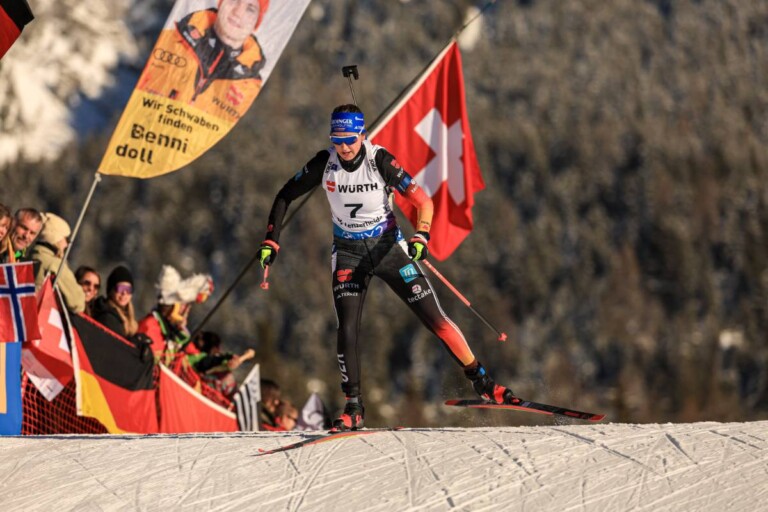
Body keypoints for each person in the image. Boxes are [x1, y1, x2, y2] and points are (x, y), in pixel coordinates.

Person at [258, 104, 515, 431]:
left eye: (350, 139)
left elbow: (423, 201)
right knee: (347, 328)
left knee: (436, 319)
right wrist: (271, 239)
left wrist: (421, 235)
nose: (344, 147)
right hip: (348, 253)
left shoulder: (379, 160)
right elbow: (284, 195)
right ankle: (353, 407)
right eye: (337, 140)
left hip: (388, 249)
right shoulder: (324, 163)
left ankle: (483, 382)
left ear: (362, 135)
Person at [137, 0, 269, 122]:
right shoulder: (169, 33)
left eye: (250, 9)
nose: (238, 12)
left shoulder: (252, 86)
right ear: (221, 3)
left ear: (257, 22)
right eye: (234, 0)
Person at [137, 264, 214, 362]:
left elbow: (196, 360)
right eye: (184, 306)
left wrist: (219, 361)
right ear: (174, 307)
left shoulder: (178, 334)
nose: (186, 312)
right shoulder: (150, 326)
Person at [28, 212, 85, 313]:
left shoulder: (28, 257)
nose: (67, 244)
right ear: (56, 239)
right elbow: (77, 303)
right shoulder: (55, 265)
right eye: (65, 239)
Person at [186, 331, 255, 399]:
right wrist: (228, 359)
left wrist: (230, 359)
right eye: (218, 347)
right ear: (214, 348)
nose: (219, 350)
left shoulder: (187, 350)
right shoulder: (204, 359)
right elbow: (214, 362)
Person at [91, 265, 138, 339]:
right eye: (120, 288)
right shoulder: (107, 318)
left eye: (128, 289)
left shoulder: (128, 320)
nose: (124, 293)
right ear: (111, 291)